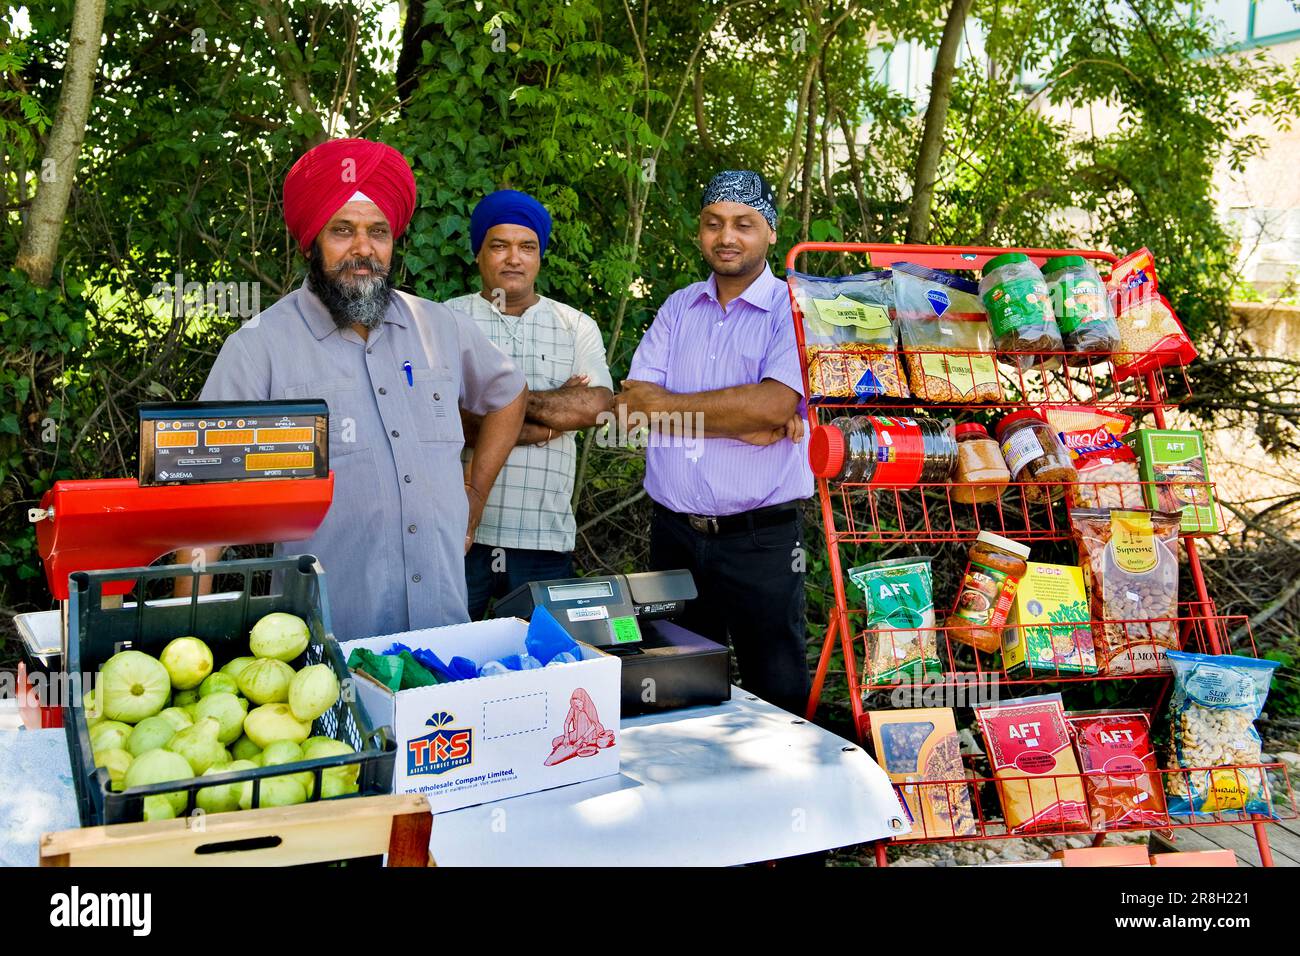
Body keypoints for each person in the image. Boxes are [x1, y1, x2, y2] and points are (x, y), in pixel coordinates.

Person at [183, 138, 527, 641]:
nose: (363, 248)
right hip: (323, 648)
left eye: (378, 232)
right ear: (312, 241)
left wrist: (475, 491)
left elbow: (509, 394)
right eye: (342, 230)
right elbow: (201, 497)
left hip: (441, 638)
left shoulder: (438, 325)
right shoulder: (260, 347)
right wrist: (183, 633)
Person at [616, 169, 813, 714]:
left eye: (744, 224)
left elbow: (772, 406)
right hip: (674, 535)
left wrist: (675, 408)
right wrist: (738, 417)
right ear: (700, 231)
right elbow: (633, 405)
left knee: (777, 694)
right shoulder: (679, 307)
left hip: (762, 542)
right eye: (714, 223)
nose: (727, 237)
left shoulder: (793, 309)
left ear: (770, 232)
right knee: (673, 689)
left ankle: (783, 798)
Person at [445, 190, 614, 618]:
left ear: (540, 256)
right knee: (445, 665)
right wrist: (550, 418)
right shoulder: (445, 320)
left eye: (527, 247)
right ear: (478, 253)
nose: (514, 259)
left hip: (544, 536)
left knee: (540, 668)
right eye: (499, 245)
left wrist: (497, 409)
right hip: (459, 531)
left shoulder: (575, 325)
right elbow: (443, 418)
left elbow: (594, 406)